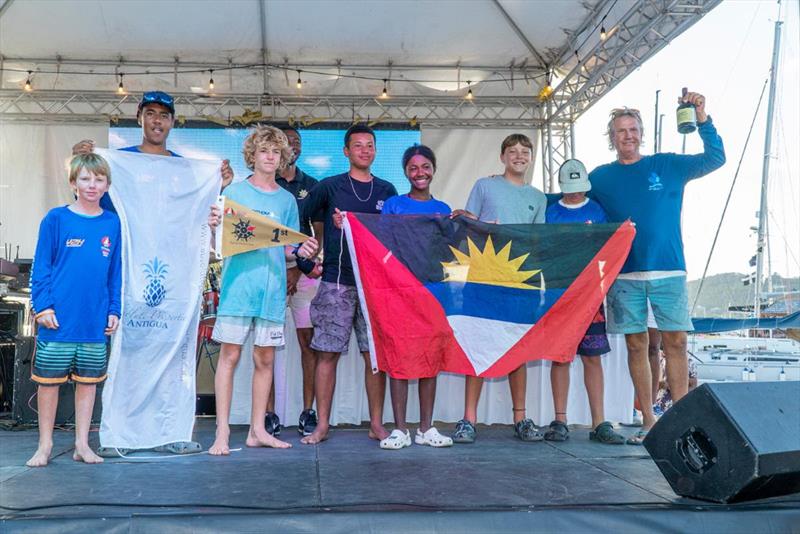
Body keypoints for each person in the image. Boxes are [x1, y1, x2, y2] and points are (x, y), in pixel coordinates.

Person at [73, 91, 233, 456]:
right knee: (128, 351)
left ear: (173, 122)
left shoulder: (183, 169)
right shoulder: (118, 164)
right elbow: (95, 194)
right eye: (150, 114)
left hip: (174, 276)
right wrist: (83, 155)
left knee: (173, 349)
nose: (157, 121)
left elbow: (196, 210)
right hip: (129, 272)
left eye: (164, 115)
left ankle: (171, 431)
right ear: (139, 117)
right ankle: (119, 435)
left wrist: (219, 182)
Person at [588, 91, 725, 444]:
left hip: (669, 270)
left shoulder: (667, 165)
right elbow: (568, 203)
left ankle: (679, 419)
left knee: (675, 342)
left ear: (642, 133)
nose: (628, 136)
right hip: (625, 274)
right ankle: (648, 420)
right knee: (636, 346)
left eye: (633, 129)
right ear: (612, 138)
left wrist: (702, 118)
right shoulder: (600, 177)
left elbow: (716, 157)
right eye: (621, 131)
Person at [208, 125, 318, 455]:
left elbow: (285, 248)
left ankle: (258, 430)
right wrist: (212, 222)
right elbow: (217, 240)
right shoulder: (235, 193)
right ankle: (222, 433)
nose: (270, 157)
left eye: (276, 152)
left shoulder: (287, 201)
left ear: (283, 157)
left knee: (265, 360)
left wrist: (303, 250)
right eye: (264, 151)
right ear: (252, 156)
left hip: (271, 290)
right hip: (238, 287)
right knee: (229, 357)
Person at [299, 124, 398, 445]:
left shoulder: (387, 191)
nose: (365, 150)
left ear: (375, 151)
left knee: (374, 357)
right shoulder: (329, 188)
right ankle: (322, 425)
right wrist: (306, 259)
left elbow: (397, 236)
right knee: (327, 354)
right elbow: (299, 218)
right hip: (335, 283)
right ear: (346, 151)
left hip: (375, 287)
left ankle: (377, 424)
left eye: (370, 145)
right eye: (358, 146)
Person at [451, 133, 548, 444]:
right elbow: (468, 227)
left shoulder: (539, 198)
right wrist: (480, 226)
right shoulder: (485, 185)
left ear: (531, 157)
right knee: (478, 344)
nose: (519, 156)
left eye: (524, 151)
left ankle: (520, 418)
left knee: (517, 346)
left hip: (521, 280)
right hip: (483, 277)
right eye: (513, 151)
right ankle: (468, 419)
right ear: (503, 157)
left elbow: (540, 240)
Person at [27, 153, 122, 467]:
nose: (92, 185)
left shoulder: (112, 222)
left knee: (88, 384)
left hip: (94, 322)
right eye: (85, 179)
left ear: (107, 184)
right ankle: (45, 445)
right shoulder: (55, 219)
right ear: (73, 183)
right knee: (48, 385)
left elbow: (115, 272)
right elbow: (41, 268)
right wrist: (42, 306)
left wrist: (114, 309)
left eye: (98, 179)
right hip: (57, 320)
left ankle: (82, 444)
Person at [543, 159, 625, 445]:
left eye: (580, 189)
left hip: (591, 295)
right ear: (562, 186)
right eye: (571, 188)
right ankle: (560, 420)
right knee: (561, 356)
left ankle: (599, 422)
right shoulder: (550, 212)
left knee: (592, 357)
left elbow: (609, 248)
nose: (576, 194)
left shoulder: (597, 210)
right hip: (560, 294)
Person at [378, 144, 454, 450]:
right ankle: (400, 430)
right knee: (399, 357)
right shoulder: (394, 206)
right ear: (405, 172)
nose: (419, 173)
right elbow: (381, 246)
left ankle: (426, 428)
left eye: (425, 167)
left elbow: (451, 251)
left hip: (433, 292)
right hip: (398, 292)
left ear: (433, 169)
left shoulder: (444, 209)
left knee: (429, 358)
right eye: (413, 168)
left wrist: (473, 223)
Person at [262, 126, 324, 437]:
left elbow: (319, 234)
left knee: (307, 342)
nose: (293, 147)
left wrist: (299, 268)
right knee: (268, 342)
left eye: (297, 142)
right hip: (270, 269)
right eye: (288, 142)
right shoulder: (263, 185)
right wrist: (281, 267)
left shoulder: (312, 186)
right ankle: (268, 413)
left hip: (304, 271)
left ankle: (308, 411)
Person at [654, 351, 698, 416]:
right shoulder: (657, 358)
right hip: (659, 406)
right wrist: (663, 384)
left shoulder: (689, 361)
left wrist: (676, 385)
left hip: (680, 404)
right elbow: (651, 384)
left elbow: (693, 384)